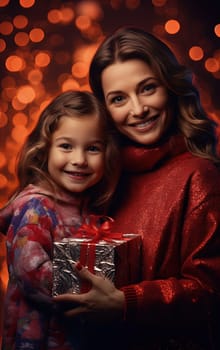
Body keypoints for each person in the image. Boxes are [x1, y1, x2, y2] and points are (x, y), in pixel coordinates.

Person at [54, 27, 220, 349]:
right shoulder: (97, 175)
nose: (138, 109)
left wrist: (127, 302)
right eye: (119, 98)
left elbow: (211, 290)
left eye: (147, 89)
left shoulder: (200, 176)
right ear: (104, 108)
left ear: (170, 87)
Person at [0, 90, 120, 349]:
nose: (79, 160)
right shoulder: (35, 208)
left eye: (92, 148)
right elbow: (30, 273)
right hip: (38, 340)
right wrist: (97, 293)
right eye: (66, 146)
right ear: (45, 149)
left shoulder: (92, 210)